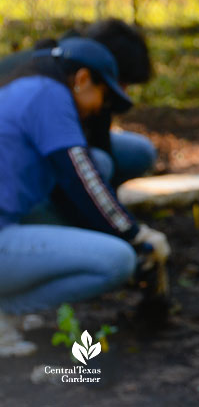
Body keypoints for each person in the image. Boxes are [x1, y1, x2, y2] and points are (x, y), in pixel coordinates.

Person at [0, 38, 170, 357]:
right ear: (81, 79)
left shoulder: (24, 88)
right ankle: (5, 310)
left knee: (98, 166)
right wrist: (134, 234)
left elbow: (72, 186)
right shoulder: (50, 97)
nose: (99, 109)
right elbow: (81, 178)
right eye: (103, 96)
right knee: (115, 260)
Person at [0, 18, 157, 190]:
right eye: (122, 84)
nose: (122, 94)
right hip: (19, 158)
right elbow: (73, 156)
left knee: (138, 151)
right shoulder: (57, 85)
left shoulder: (65, 59)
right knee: (99, 164)